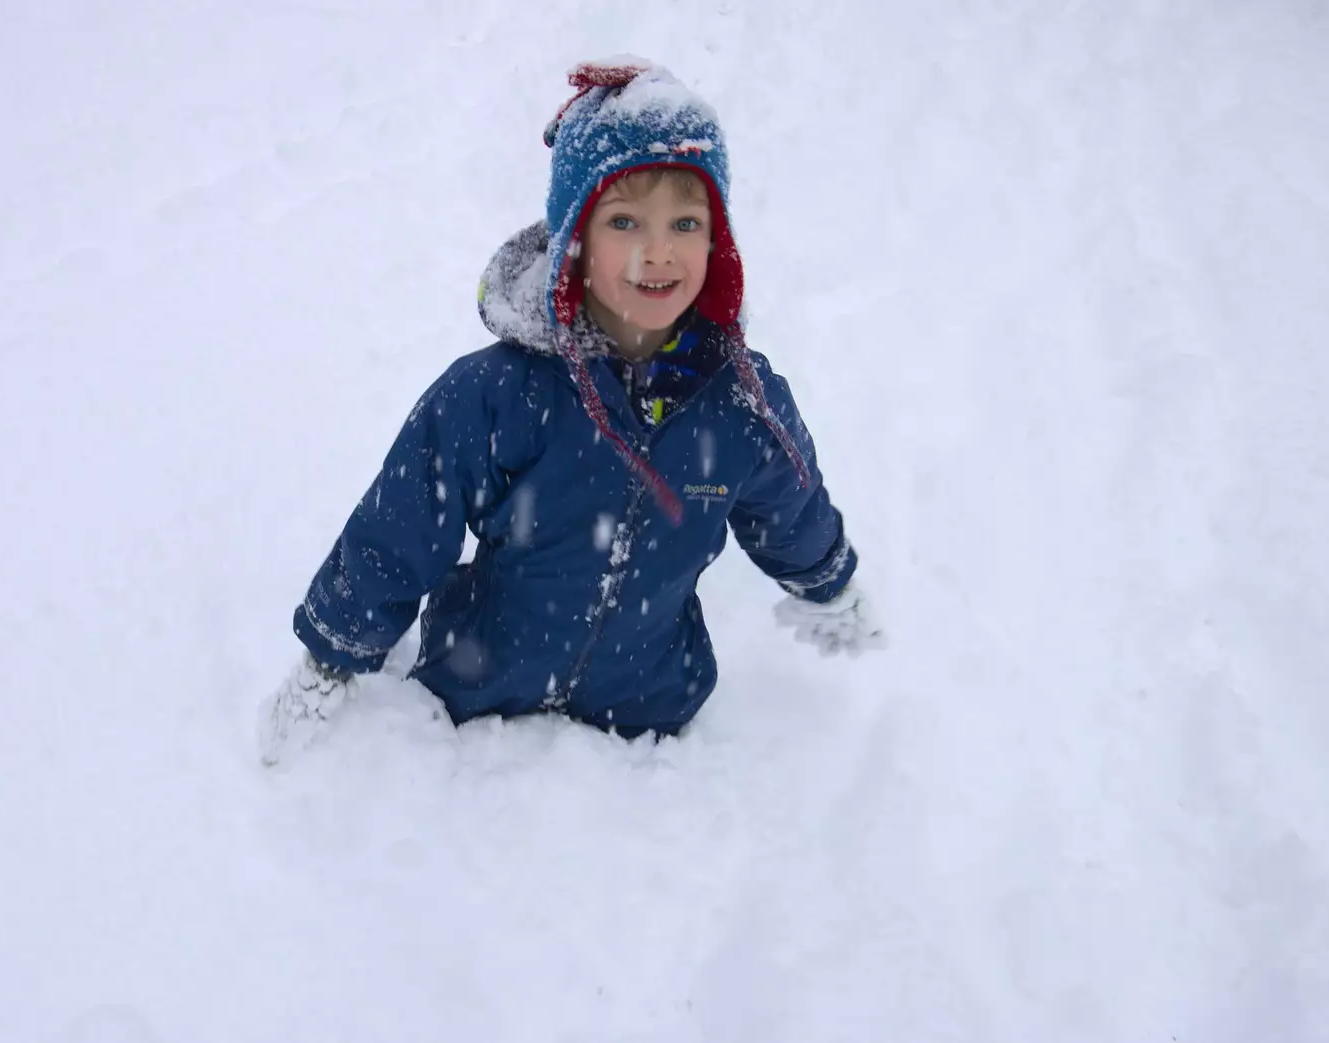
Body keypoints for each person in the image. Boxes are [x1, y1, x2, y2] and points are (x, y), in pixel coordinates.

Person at [260, 57, 883, 764]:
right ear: (575, 242)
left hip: (651, 711)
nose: (658, 252)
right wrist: (331, 658)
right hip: (477, 691)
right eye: (624, 221)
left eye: (685, 221)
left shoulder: (739, 404)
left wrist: (829, 583)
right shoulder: (499, 395)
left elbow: (790, 506)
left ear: (718, 241)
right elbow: (400, 529)